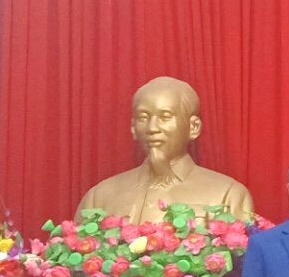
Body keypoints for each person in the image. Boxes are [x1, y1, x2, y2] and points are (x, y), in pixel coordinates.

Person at [78, 76, 254, 222]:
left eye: (165, 116)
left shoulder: (227, 195)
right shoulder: (99, 198)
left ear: (193, 127)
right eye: (143, 117)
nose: (152, 128)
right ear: (133, 127)